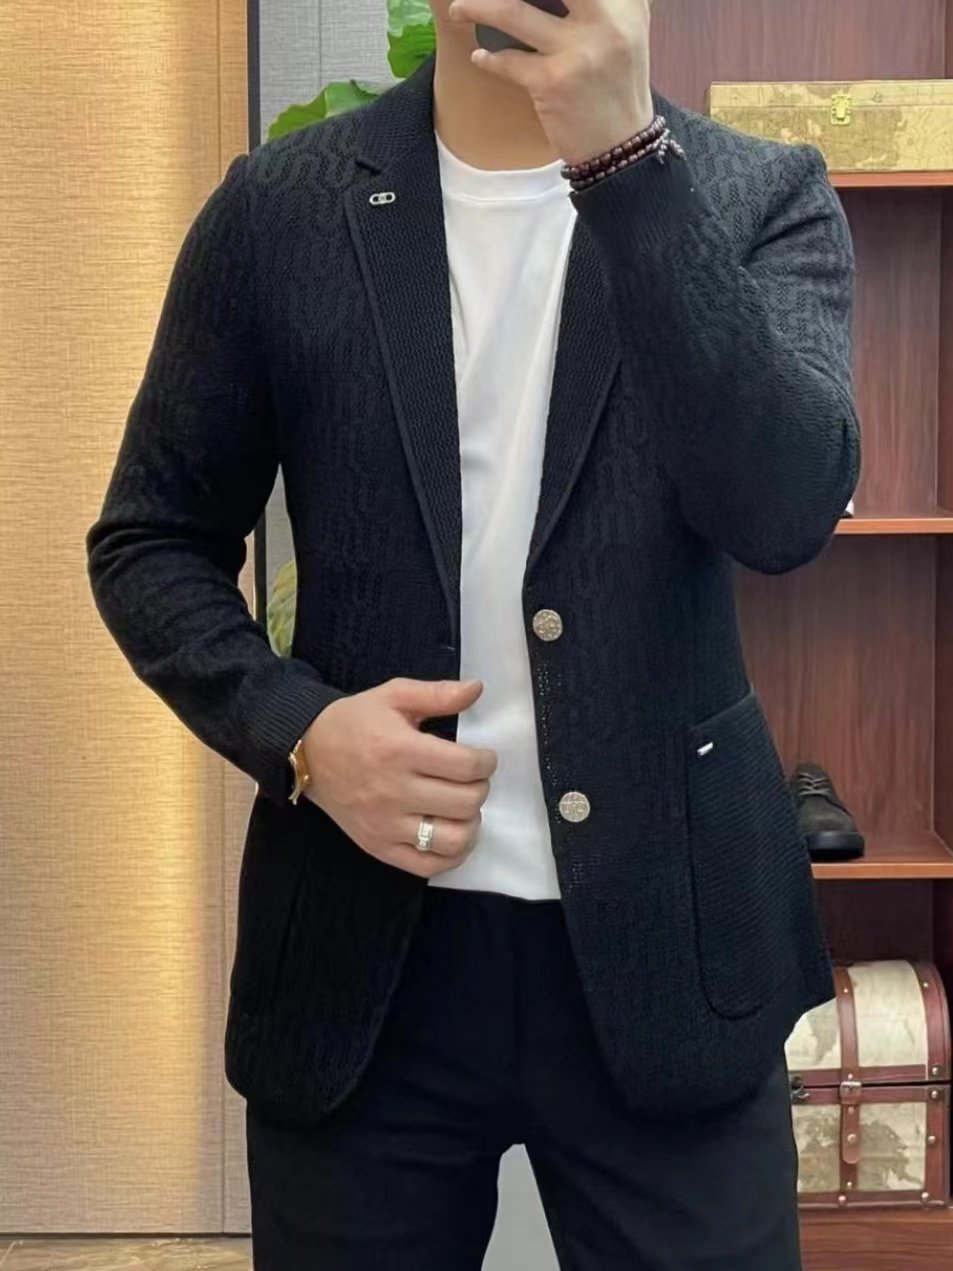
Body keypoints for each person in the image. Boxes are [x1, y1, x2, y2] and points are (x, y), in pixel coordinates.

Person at [87, 0, 860, 1266]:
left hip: (670, 947)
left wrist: (626, 169)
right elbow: (150, 538)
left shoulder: (755, 196)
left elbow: (782, 513)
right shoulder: (278, 209)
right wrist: (300, 731)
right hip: (362, 957)